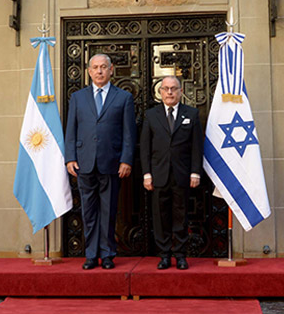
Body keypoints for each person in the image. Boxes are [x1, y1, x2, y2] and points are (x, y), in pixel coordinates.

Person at [65, 54, 136, 270]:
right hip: (84, 163)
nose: (99, 71)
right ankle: (90, 254)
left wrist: (126, 160)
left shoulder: (123, 98)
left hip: (112, 163)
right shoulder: (78, 98)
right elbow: (71, 130)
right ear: (88, 71)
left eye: (103, 67)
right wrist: (70, 157)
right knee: (88, 211)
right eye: (95, 67)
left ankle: (107, 254)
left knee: (109, 210)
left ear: (111, 69)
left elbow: (129, 133)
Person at [140, 76, 203, 270]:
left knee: (181, 215)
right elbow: (145, 147)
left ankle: (181, 255)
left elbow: (197, 147)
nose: (169, 92)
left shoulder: (191, 114)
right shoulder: (151, 115)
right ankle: (164, 255)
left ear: (180, 91)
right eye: (166, 89)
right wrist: (146, 174)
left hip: (182, 175)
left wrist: (195, 172)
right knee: (160, 217)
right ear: (160, 92)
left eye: (173, 89)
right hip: (158, 175)